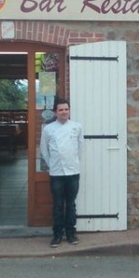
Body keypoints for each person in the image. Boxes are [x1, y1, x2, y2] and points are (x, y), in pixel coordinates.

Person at [40, 98, 85, 247]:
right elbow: (44, 150)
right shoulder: (48, 129)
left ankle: (71, 233)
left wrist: (74, 161)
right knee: (58, 204)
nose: (64, 112)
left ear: (69, 111)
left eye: (66, 109)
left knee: (71, 204)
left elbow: (80, 147)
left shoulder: (77, 127)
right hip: (57, 173)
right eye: (61, 110)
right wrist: (53, 164)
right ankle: (57, 234)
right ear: (55, 112)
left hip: (73, 171)